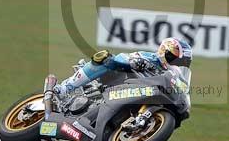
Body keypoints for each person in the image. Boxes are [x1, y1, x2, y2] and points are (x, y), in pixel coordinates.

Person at [52, 37, 193, 99]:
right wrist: (135, 63)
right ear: (164, 51)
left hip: (138, 96)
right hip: (117, 83)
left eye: (181, 61)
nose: (176, 63)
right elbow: (122, 58)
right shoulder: (150, 58)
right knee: (106, 59)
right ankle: (65, 88)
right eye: (174, 58)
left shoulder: (173, 75)